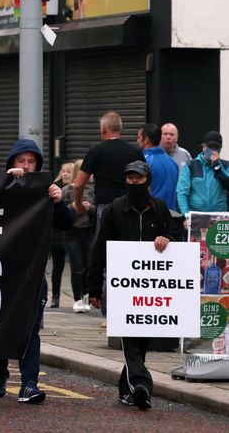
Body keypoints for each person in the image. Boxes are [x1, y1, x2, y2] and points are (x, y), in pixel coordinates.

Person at [0, 139, 73, 403]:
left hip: (32, 272)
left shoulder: (44, 191)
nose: (26, 166)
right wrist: (6, 184)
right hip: (0, 271)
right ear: (12, 163)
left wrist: (58, 202)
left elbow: (67, 223)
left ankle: (29, 383)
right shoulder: (0, 184)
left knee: (30, 328)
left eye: (31, 161)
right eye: (21, 161)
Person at [88, 161, 179, 410]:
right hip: (123, 287)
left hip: (152, 288)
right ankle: (142, 385)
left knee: (142, 339)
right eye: (130, 178)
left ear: (147, 180)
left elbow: (176, 235)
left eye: (139, 178)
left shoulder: (160, 208)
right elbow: (100, 248)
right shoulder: (115, 209)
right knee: (130, 338)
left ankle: (125, 390)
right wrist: (93, 287)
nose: (134, 182)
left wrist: (167, 238)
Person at [71, 111, 145, 241]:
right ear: (121, 129)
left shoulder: (96, 151)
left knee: (104, 252)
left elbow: (78, 184)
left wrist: (78, 204)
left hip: (106, 208)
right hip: (131, 207)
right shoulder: (136, 152)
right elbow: (146, 184)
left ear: (103, 129)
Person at [60, 160, 95, 313]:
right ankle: (77, 298)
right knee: (77, 267)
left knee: (89, 266)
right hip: (72, 233)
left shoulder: (95, 190)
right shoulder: (67, 190)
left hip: (89, 232)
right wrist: (73, 207)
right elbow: (61, 211)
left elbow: (100, 210)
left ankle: (87, 295)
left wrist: (90, 208)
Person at [176, 131, 229, 217]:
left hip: (219, 215)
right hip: (196, 215)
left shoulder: (226, 166)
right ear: (203, 147)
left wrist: (217, 167)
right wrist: (186, 216)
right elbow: (182, 193)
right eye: (210, 146)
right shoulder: (191, 166)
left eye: (217, 147)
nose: (214, 150)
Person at [138, 123, 179, 211]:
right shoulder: (173, 163)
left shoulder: (144, 162)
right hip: (171, 215)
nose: (137, 141)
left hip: (153, 215)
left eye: (139, 137)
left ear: (146, 140)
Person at [49, 163, 70, 309]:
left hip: (71, 232)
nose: (65, 174)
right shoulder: (54, 188)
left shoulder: (77, 189)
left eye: (68, 172)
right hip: (56, 235)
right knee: (57, 266)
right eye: (63, 171)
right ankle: (55, 296)